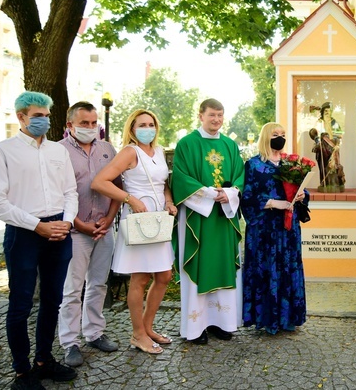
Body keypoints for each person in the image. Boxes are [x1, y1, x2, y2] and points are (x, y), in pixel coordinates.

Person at [0, 91, 78, 389]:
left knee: (53, 300)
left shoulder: (58, 151)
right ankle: (23, 371)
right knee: (21, 303)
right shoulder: (3, 151)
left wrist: (68, 221)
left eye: (47, 116)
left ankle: (44, 359)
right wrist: (36, 226)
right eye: (37, 116)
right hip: (24, 233)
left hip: (59, 230)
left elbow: (70, 192)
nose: (44, 121)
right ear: (21, 117)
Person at [91, 109, 177, 355]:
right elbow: (100, 182)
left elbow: (164, 186)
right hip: (139, 221)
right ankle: (138, 334)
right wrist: (130, 199)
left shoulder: (158, 152)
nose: (147, 128)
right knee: (139, 279)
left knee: (164, 277)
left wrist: (169, 202)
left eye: (151, 124)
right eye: (142, 124)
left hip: (158, 221)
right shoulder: (130, 152)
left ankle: (148, 328)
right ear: (132, 128)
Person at [171, 99, 244, 344]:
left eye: (220, 115)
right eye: (212, 115)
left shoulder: (230, 145)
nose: (216, 120)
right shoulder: (187, 144)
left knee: (222, 265)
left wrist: (231, 193)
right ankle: (196, 326)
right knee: (199, 266)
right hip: (198, 217)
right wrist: (211, 194)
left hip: (223, 216)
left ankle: (221, 323)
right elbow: (180, 179)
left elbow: (240, 177)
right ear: (201, 115)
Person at [57, 102, 121, 367]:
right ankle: (69, 342)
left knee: (98, 284)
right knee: (72, 290)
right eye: (84, 123)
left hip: (104, 229)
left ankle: (94, 332)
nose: (91, 128)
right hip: (75, 232)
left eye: (94, 123)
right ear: (69, 125)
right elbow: (56, 195)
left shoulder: (107, 149)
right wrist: (79, 224)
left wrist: (108, 219)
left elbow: (118, 187)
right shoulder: (58, 152)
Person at [241, 122, 309, 334]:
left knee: (287, 267)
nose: (280, 138)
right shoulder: (253, 165)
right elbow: (247, 197)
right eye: (275, 134)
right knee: (267, 269)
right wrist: (271, 202)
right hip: (264, 229)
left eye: (283, 134)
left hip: (287, 227)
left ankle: (288, 318)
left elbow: (303, 190)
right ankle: (267, 319)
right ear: (265, 137)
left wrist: (302, 195)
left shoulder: (291, 163)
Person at [309, 102, 345, 191]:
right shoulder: (319, 122)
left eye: (329, 111)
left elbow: (339, 134)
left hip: (333, 147)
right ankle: (325, 183)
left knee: (334, 166)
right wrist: (318, 141)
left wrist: (337, 144)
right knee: (324, 167)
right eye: (325, 111)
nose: (327, 113)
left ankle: (335, 183)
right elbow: (315, 134)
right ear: (322, 111)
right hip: (322, 148)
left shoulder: (334, 122)